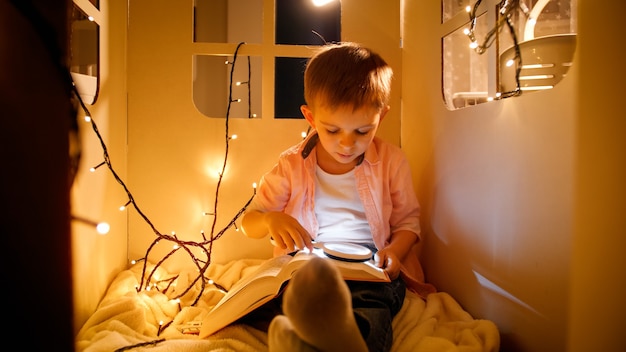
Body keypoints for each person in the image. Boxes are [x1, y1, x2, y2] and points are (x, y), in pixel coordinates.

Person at [240, 42, 436, 351]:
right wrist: (269, 220)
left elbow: (408, 224)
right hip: (308, 270)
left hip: (369, 273)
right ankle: (303, 335)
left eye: (362, 132)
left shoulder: (391, 162)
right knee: (270, 298)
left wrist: (396, 253)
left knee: (370, 309)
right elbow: (248, 222)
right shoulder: (291, 165)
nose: (347, 145)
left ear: (380, 117)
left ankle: (343, 340)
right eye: (332, 131)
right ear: (311, 117)